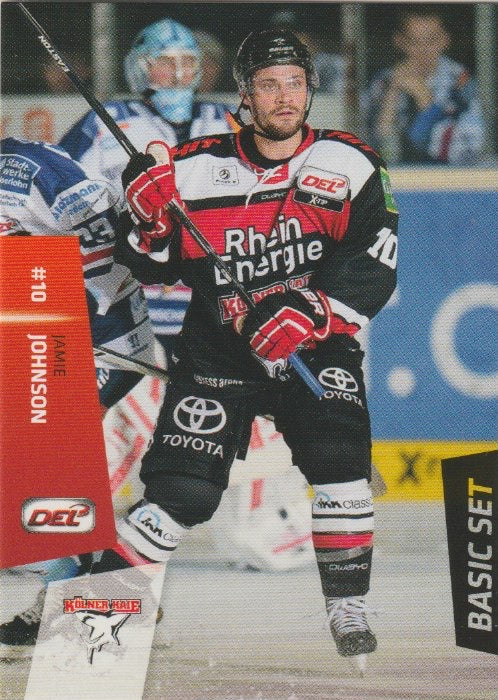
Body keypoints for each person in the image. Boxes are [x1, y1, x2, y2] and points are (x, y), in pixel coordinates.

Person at [92, 29, 399, 673]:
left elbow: (375, 260)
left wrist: (310, 312)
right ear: (244, 94)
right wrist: (146, 223)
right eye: (268, 85)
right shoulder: (194, 166)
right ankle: (95, 617)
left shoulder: (351, 162)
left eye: (295, 84)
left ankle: (348, 606)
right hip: (218, 354)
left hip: (313, 347)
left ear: (310, 90)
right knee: (178, 492)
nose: (284, 97)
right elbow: (149, 262)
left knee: (341, 460)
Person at [0, 137, 158, 658]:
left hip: (98, 339)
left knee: (40, 467)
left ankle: (93, 597)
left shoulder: (29, 169)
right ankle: (91, 591)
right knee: (40, 472)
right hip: (44, 339)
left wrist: (42, 268)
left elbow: (112, 245)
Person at [60, 17, 238, 363]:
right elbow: (61, 189)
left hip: (210, 293)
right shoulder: (106, 120)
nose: (179, 74)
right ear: (141, 67)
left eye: (188, 62)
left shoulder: (226, 120)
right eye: (166, 62)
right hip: (129, 289)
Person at [364, 8, 485, 164]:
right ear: (399, 41)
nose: (423, 50)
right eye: (414, 42)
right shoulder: (383, 81)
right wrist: (393, 91)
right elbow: (369, 148)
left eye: (431, 41)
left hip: (446, 175)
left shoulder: (461, 81)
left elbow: (468, 149)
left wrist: (425, 100)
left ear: (444, 40)